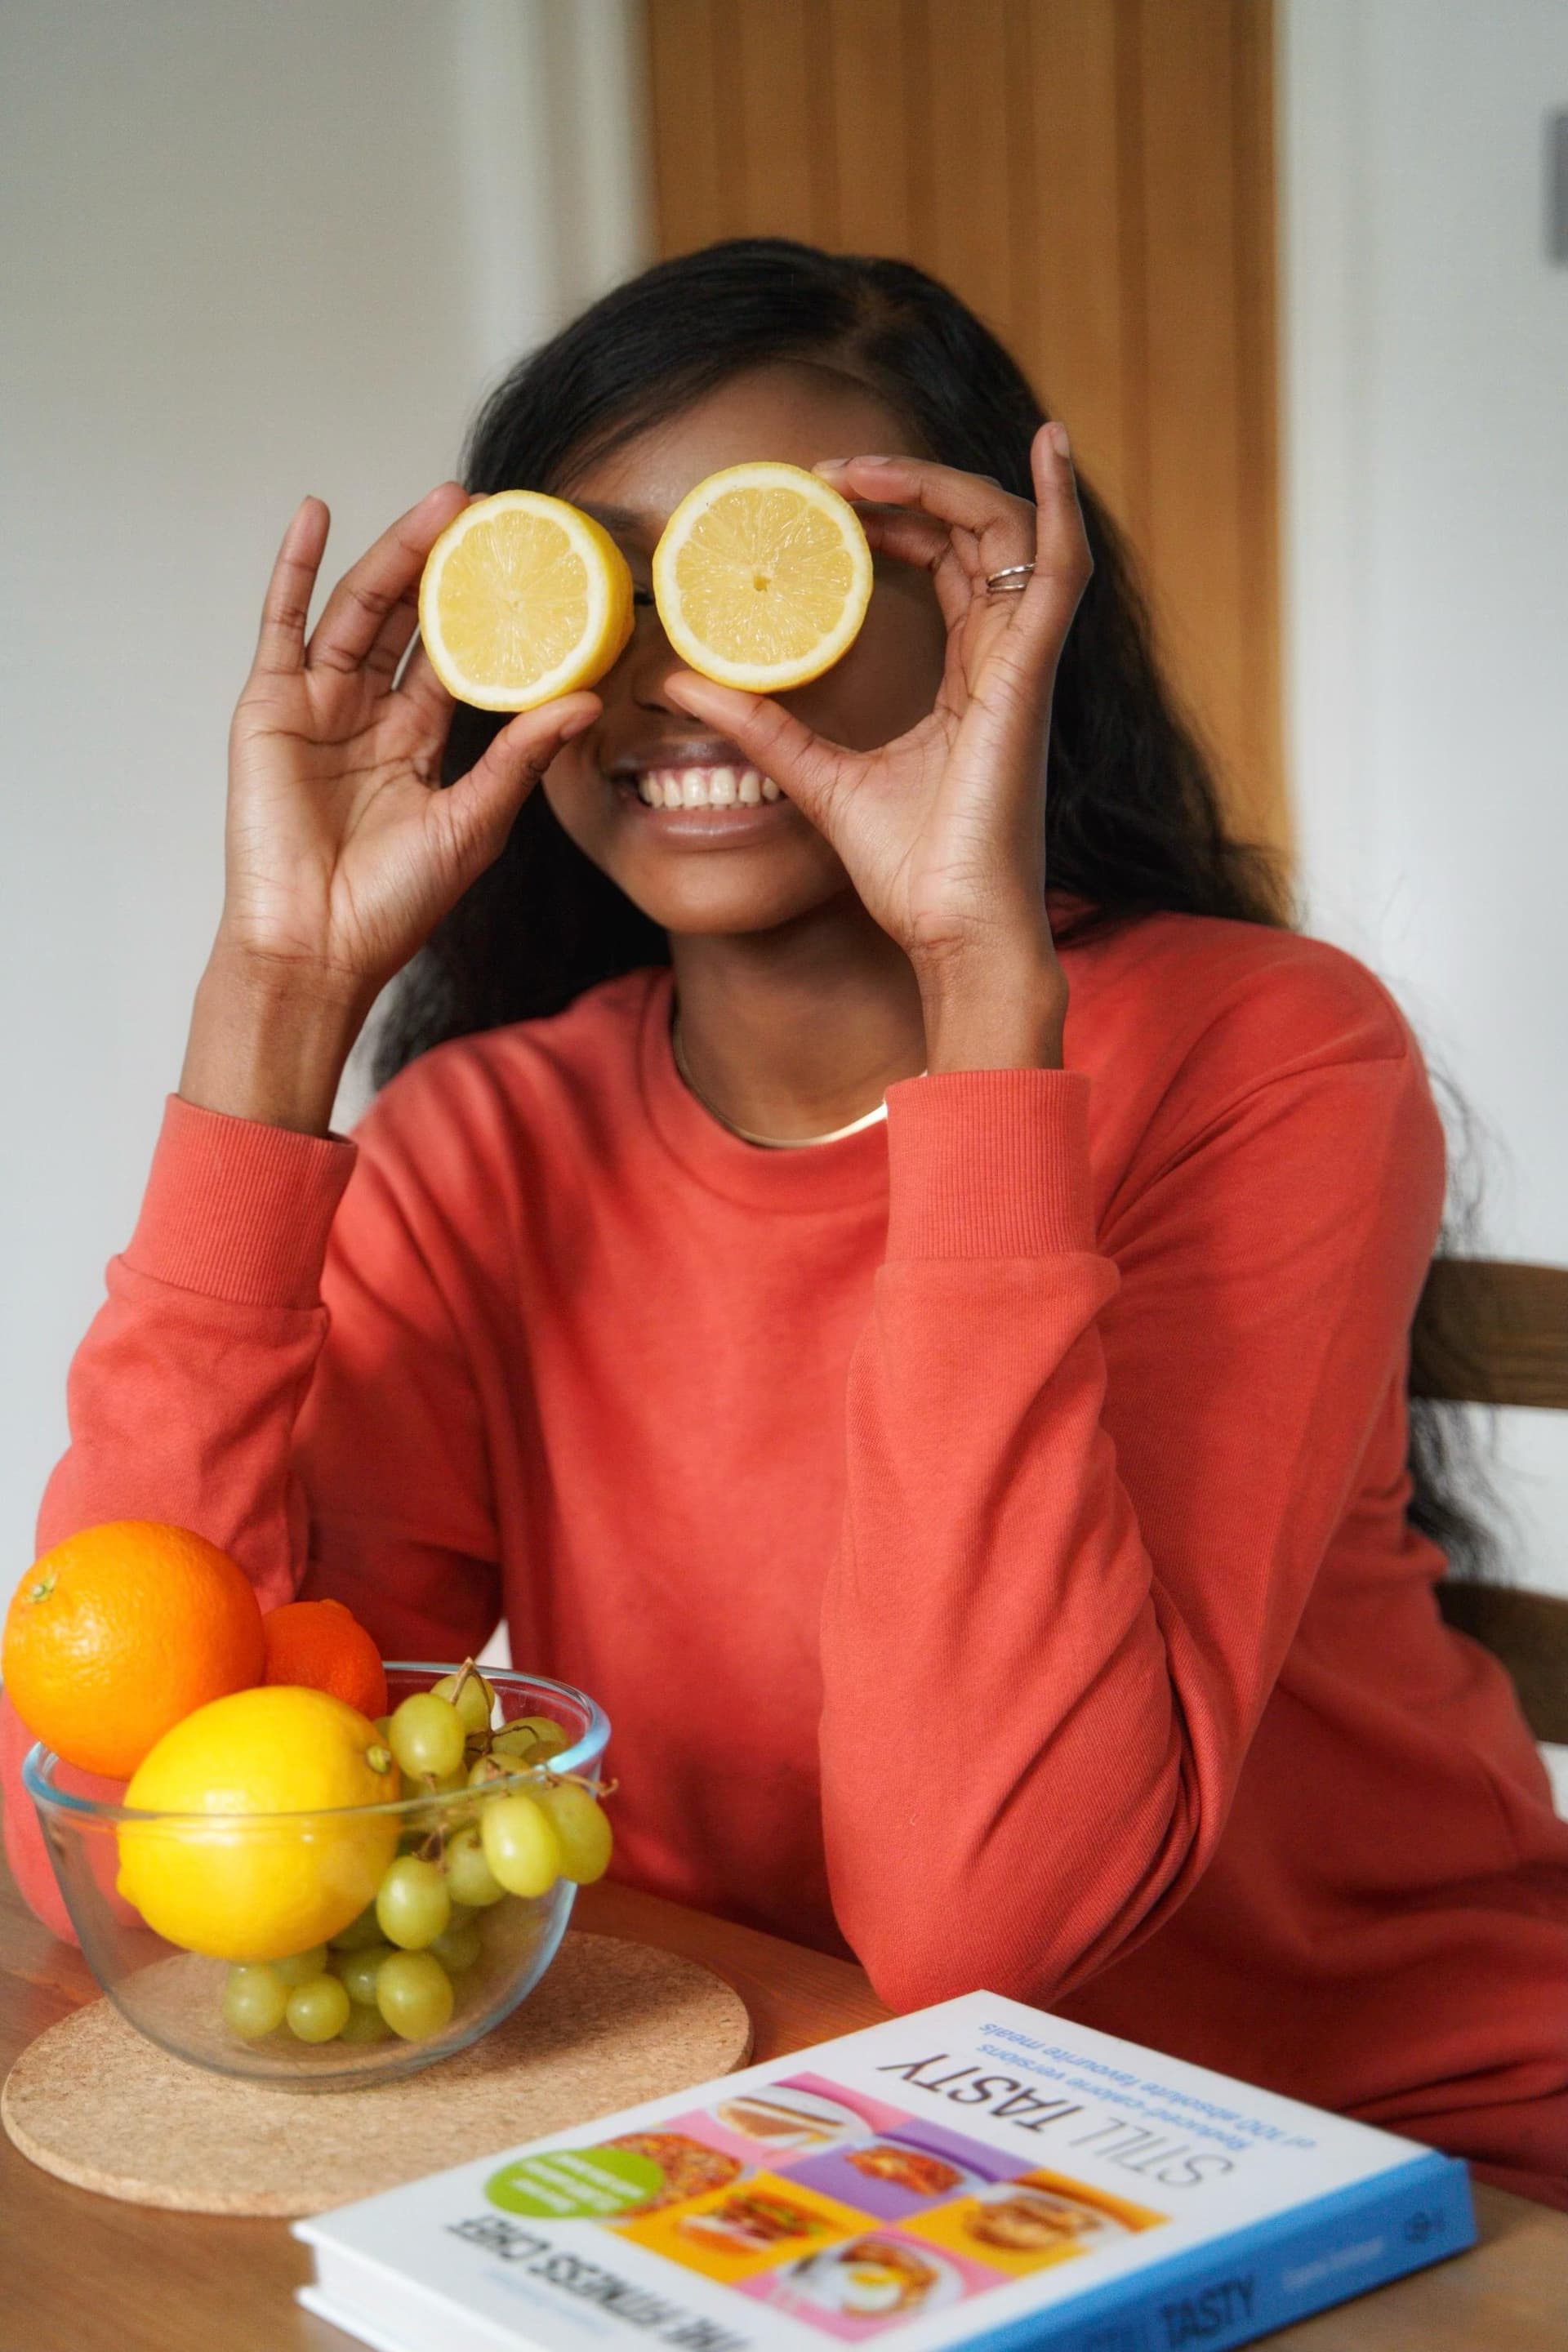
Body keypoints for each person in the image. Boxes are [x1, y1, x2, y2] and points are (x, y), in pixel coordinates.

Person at [3, 241, 1565, 2205]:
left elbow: (991, 1917)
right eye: (603, 588)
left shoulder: (1265, 1054)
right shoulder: (489, 1135)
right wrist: (274, 1004)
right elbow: (153, 1862)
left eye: (771, 572)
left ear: (995, 617)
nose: (674, 665)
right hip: (814, 2150)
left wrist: (986, 997)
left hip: (1392, 2162)